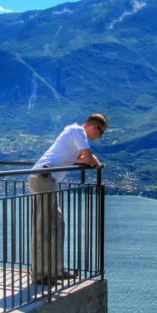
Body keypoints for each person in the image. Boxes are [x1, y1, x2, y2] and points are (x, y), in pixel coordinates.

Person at [29, 113, 108, 284]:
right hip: (43, 178)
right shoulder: (77, 131)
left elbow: (80, 159)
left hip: (48, 180)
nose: (99, 137)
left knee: (57, 225)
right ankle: (40, 274)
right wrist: (94, 162)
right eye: (101, 133)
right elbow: (87, 156)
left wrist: (91, 160)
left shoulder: (74, 136)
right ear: (94, 127)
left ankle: (56, 270)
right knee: (44, 228)